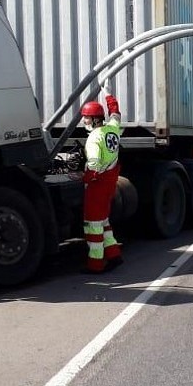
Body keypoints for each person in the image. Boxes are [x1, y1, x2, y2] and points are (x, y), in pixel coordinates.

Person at [80, 93, 124, 274]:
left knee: (93, 226)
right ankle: (114, 255)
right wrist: (109, 97)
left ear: (95, 119)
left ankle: (95, 264)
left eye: (86, 117)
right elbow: (115, 114)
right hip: (110, 182)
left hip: (97, 186)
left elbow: (94, 164)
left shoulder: (94, 139)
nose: (84, 120)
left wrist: (84, 178)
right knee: (104, 222)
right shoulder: (112, 129)